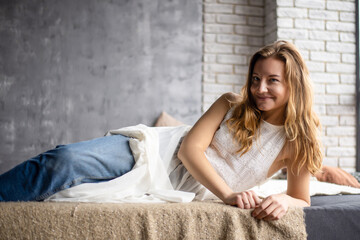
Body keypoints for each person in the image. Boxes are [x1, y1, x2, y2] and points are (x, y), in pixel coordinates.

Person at [0, 40, 323, 221]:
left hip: (179, 191)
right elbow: (188, 150)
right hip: (154, 153)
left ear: (293, 85)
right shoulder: (230, 103)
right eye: (255, 78)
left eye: (272, 81)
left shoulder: (297, 142)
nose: (259, 88)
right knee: (63, 161)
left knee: (67, 191)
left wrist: (282, 199)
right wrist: (228, 195)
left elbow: (300, 198)